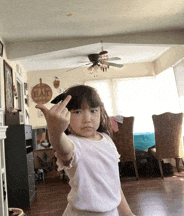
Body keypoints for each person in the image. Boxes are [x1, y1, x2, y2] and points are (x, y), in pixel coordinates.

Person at [36, 85, 136, 216]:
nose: (87, 119)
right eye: (77, 112)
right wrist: (55, 131)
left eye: (93, 111)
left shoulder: (106, 139)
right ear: (67, 115)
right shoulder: (73, 143)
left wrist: (129, 213)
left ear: (101, 112)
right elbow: (63, 149)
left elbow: (114, 186)